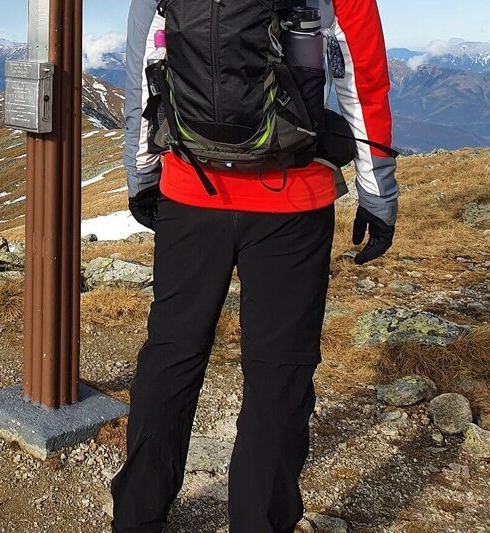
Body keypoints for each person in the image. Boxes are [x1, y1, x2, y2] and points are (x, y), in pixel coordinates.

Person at [111, 0, 398, 531]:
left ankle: (137, 517)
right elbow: (361, 74)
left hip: (190, 191)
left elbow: (145, 71)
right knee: (277, 372)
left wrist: (143, 177)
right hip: (293, 199)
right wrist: (377, 195)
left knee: (171, 355)